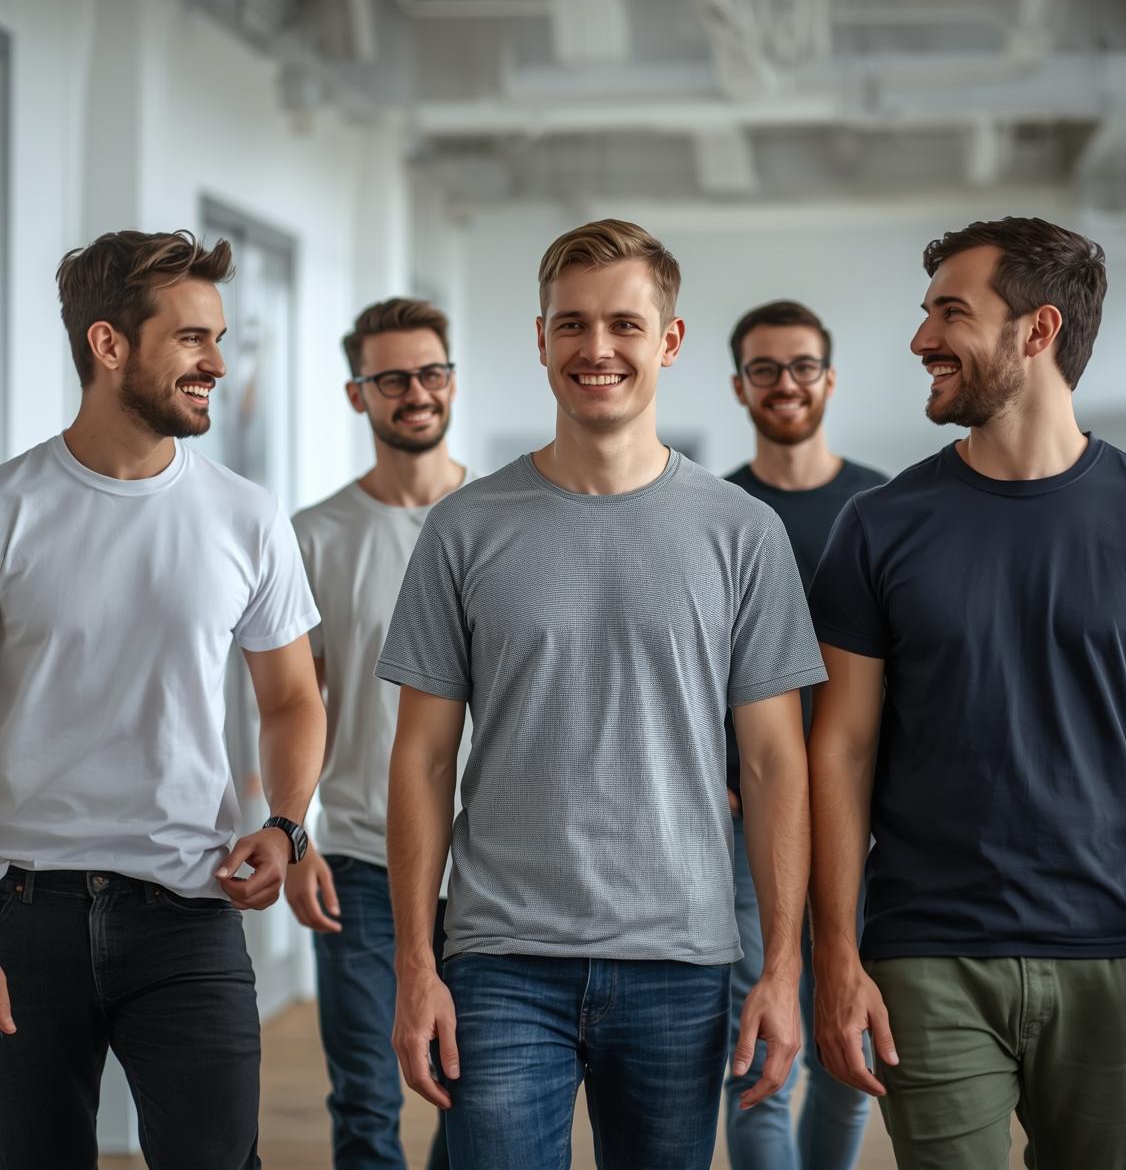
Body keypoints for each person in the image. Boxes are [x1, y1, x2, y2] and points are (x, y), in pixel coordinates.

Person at [377, 219, 825, 1170]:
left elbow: (776, 761)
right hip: (499, 959)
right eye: (571, 325)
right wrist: (416, 964)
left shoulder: (743, 534)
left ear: (669, 341)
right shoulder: (462, 530)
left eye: (624, 324)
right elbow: (419, 758)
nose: (597, 349)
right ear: (541, 338)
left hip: (681, 959)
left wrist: (781, 968)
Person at [807, 215, 1126, 1170]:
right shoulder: (878, 526)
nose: (920, 339)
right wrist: (835, 957)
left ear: (1038, 329)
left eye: (951, 311)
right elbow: (840, 751)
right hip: (927, 954)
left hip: (1108, 947)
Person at [0, 229, 325, 1170]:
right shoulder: (12, 511)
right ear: (109, 347)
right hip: (22, 912)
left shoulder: (246, 515)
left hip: (188, 907)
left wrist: (285, 823)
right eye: (191, 339)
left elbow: (295, 697)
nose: (217, 363)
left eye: (218, 338)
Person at [287, 297, 472, 1170]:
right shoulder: (313, 537)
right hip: (362, 855)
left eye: (431, 372)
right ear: (358, 395)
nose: (416, 393)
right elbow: (298, 704)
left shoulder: (504, 515)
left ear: (452, 380)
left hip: (493, 864)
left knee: (477, 1096)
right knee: (364, 1096)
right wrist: (294, 834)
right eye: (391, 378)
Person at [723, 300, 883, 1170]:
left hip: (860, 823)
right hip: (744, 818)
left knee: (843, 1045)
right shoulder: (710, 507)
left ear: (829, 377)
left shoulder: (887, 504)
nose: (785, 384)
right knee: (757, 1047)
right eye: (765, 369)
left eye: (802, 366)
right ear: (740, 384)